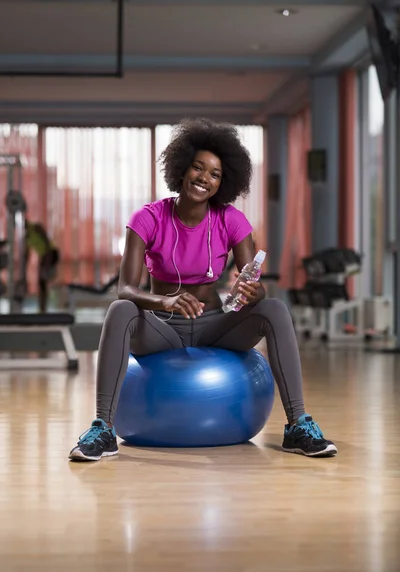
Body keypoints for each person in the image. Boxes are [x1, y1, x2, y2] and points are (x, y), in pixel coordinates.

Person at [69, 118, 337, 462]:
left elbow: (252, 285)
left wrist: (254, 293)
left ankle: (298, 425)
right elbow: (125, 289)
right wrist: (164, 300)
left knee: (275, 309)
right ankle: (103, 429)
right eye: (198, 168)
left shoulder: (231, 220)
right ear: (182, 169)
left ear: (224, 183)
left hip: (215, 327)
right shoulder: (149, 218)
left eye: (215, 174)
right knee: (120, 309)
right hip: (162, 330)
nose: (204, 179)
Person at [25, 220, 60, 312]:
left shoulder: (35, 227)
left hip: (50, 253)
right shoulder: (25, 236)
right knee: (41, 284)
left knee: (42, 283)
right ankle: (42, 308)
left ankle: (43, 308)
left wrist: (47, 260)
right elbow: (26, 253)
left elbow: (46, 241)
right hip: (44, 256)